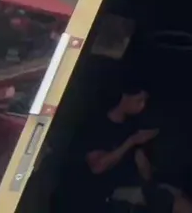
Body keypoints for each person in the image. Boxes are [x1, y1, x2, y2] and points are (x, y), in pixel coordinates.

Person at [63, 79, 160, 212]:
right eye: (139, 100)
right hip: (84, 197)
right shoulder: (95, 125)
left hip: (115, 193)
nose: (142, 106)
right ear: (124, 97)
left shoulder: (131, 126)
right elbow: (97, 167)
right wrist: (130, 142)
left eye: (145, 101)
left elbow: (142, 167)